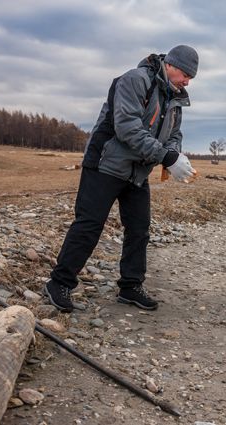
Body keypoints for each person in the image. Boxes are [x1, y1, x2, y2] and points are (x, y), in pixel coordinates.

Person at [44, 45, 199, 313]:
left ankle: (130, 286)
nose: (187, 81)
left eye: (191, 78)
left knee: (139, 229)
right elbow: (127, 128)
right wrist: (165, 157)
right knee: (89, 224)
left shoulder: (174, 98)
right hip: (106, 163)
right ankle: (60, 282)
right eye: (186, 74)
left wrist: (173, 154)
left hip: (137, 171)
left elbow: (174, 133)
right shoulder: (135, 80)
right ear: (171, 65)